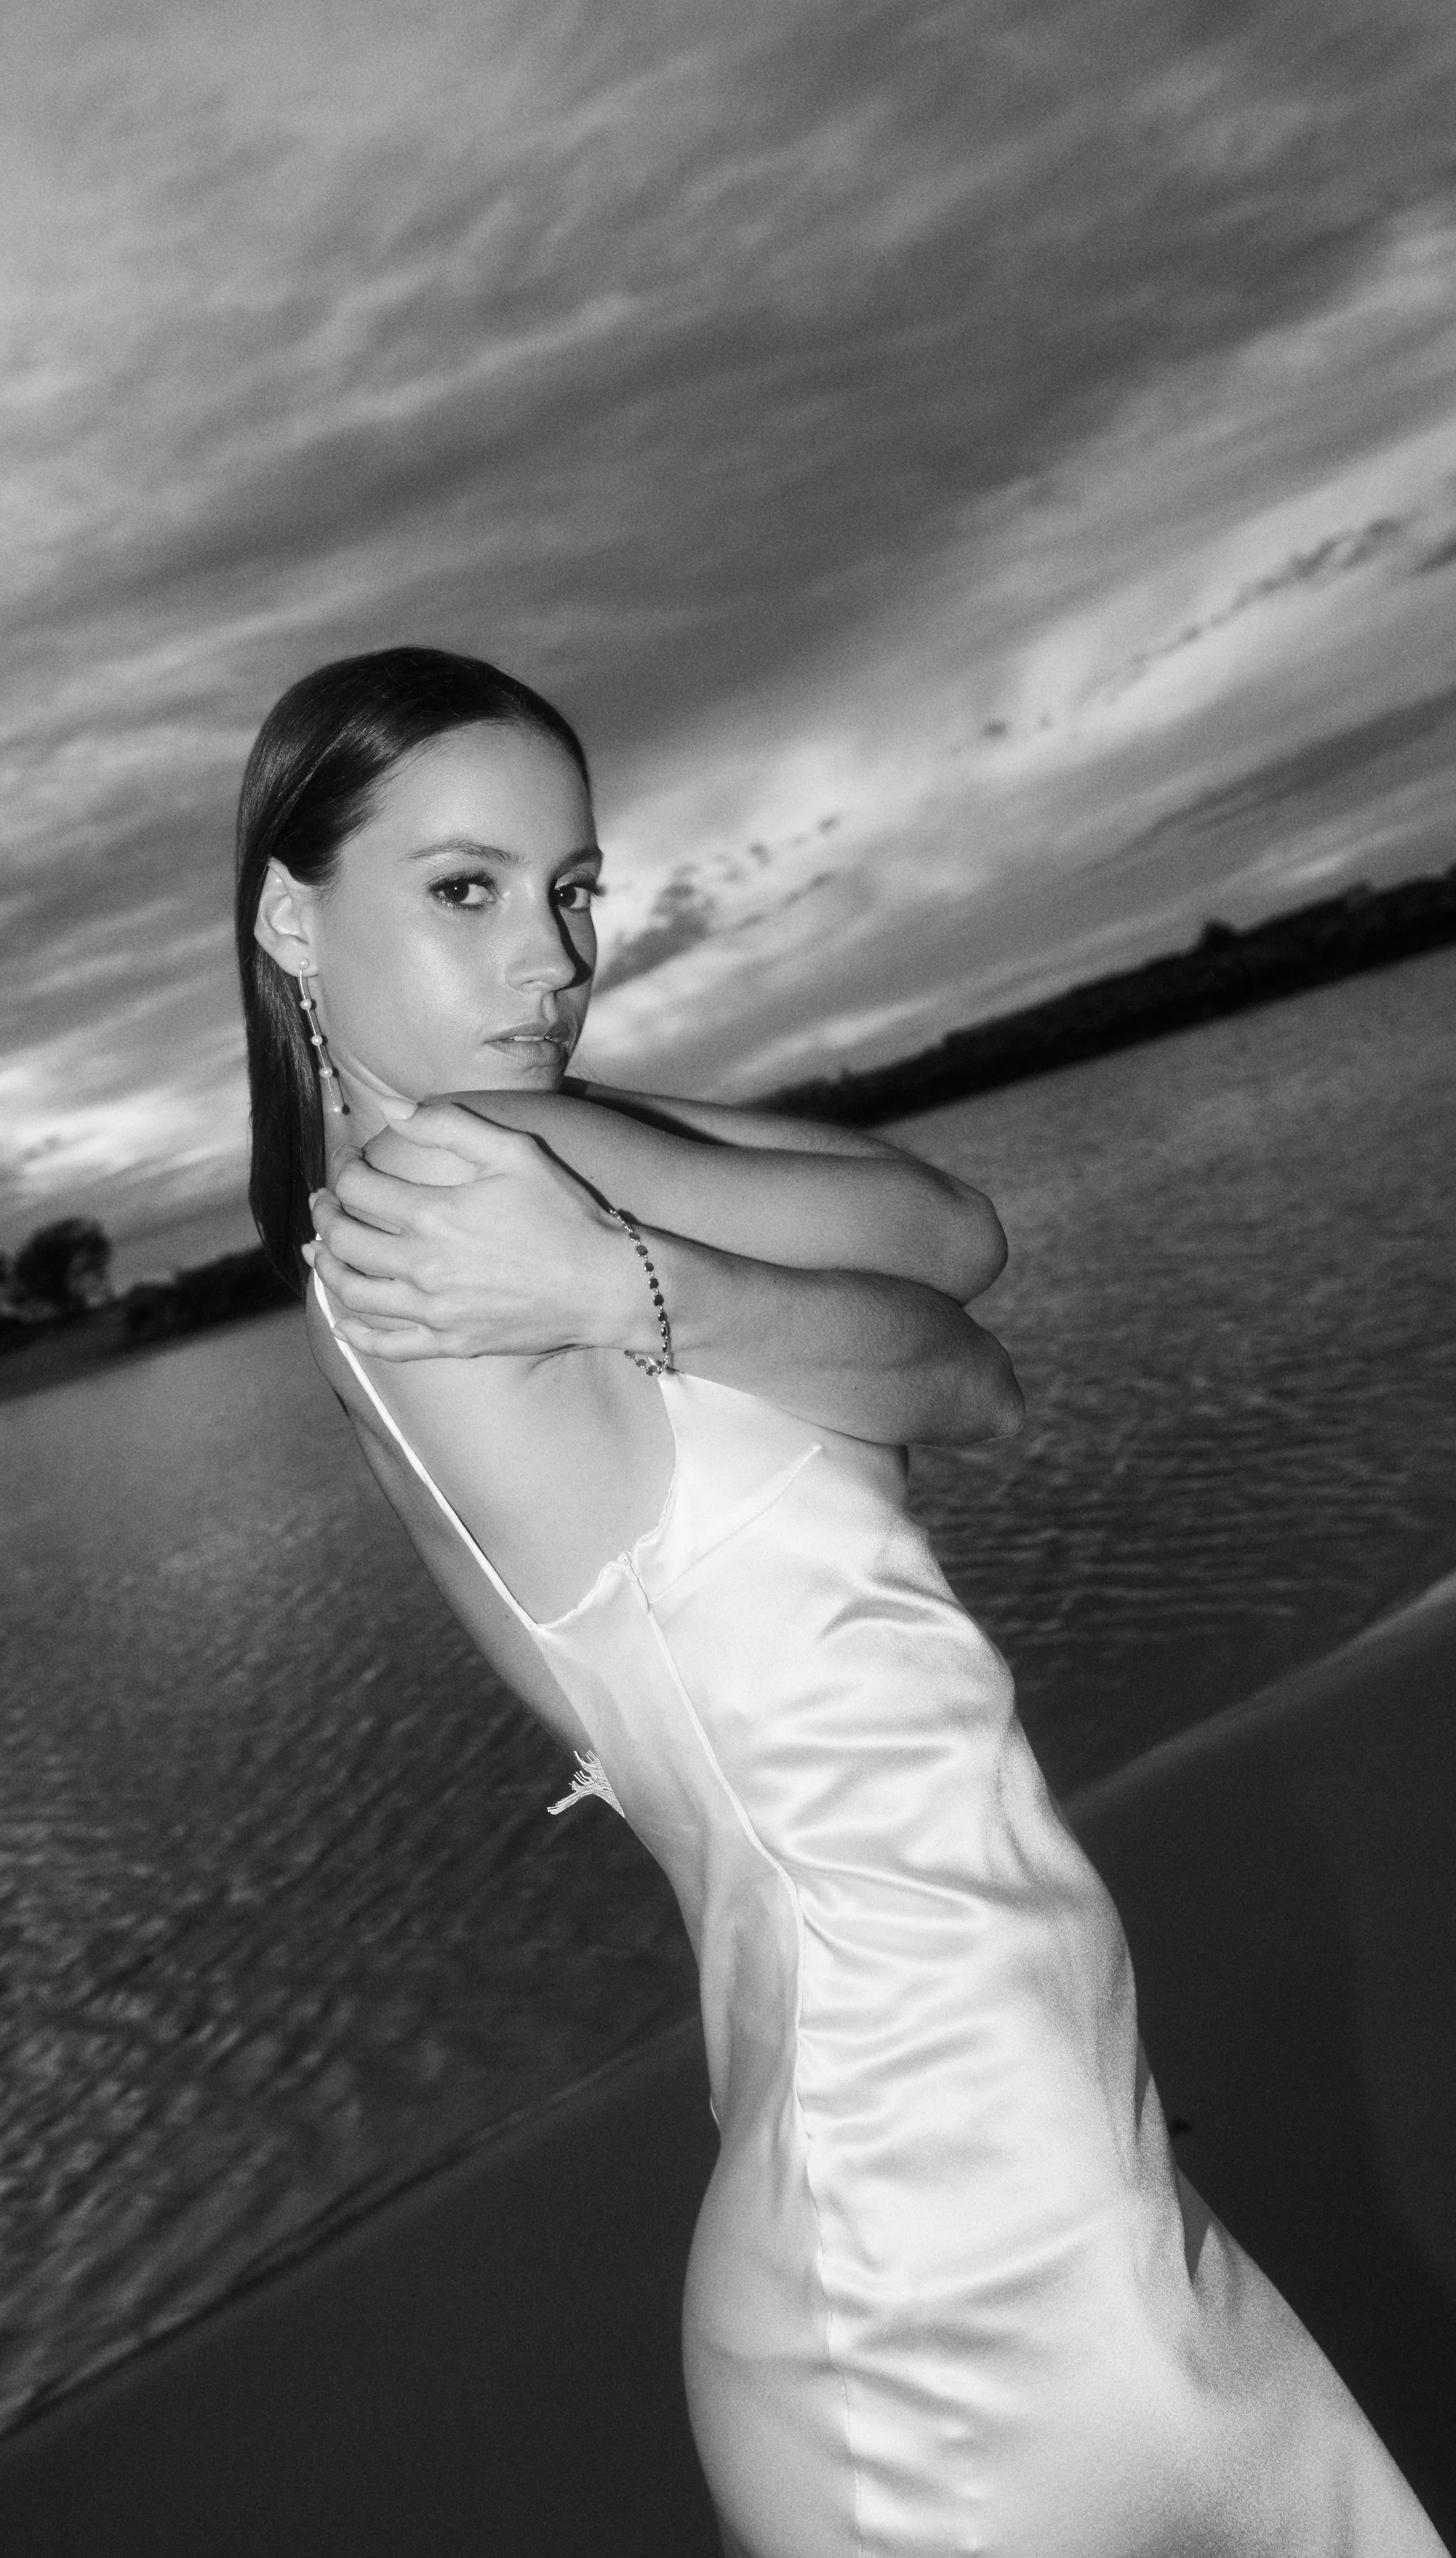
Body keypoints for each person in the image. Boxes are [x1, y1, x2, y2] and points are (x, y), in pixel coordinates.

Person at [235, 646, 1444, 2557]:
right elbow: (943, 1303)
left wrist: (633, 1284)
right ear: (292, 915)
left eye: (571, 890)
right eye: (462, 890)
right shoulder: (449, 1207)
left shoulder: (555, 1170)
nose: (549, 957)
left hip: (1053, 2171)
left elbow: (964, 1317)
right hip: (926, 2270)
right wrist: (641, 1262)